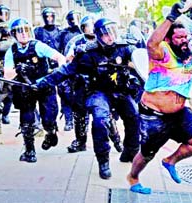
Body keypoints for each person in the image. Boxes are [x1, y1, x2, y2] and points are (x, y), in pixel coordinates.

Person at [35, 17, 141, 179]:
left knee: (133, 115)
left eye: (112, 32)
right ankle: (103, 160)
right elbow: (66, 71)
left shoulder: (125, 48)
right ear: (98, 35)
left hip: (121, 90)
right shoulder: (87, 53)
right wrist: (44, 81)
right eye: (106, 34)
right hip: (98, 93)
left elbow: (144, 61)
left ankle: (130, 152)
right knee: (100, 120)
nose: (110, 37)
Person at [126, 2, 192, 195]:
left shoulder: (190, 50)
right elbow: (150, 43)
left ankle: (170, 161)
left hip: (180, 113)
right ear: (169, 39)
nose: (183, 40)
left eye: (185, 37)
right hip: (154, 116)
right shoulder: (161, 52)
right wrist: (171, 17)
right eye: (178, 37)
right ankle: (133, 177)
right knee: (147, 154)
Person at [3, 18, 66, 163]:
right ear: (14, 34)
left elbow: (59, 57)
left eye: (26, 30)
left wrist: (59, 71)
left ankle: (50, 133)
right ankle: (29, 151)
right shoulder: (11, 51)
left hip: (44, 86)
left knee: (48, 119)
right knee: (27, 120)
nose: (24, 34)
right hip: (26, 90)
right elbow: (7, 74)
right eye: (20, 31)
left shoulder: (38, 46)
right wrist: (18, 70)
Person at [64, 15, 123, 154]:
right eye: (87, 26)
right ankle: (80, 141)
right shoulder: (77, 41)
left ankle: (116, 140)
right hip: (80, 82)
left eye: (92, 26)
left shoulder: (105, 41)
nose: (90, 29)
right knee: (79, 114)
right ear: (83, 28)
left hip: (98, 84)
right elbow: (68, 59)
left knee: (104, 115)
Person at [56, 10, 82, 131]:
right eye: (71, 19)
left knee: (78, 96)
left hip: (81, 67)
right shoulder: (63, 33)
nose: (74, 21)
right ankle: (68, 120)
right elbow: (58, 49)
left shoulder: (83, 33)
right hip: (66, 66)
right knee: (64, 95)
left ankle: (80, 123)